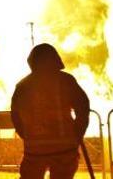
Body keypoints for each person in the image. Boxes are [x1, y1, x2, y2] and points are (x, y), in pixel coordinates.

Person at [11, 43, 90, 179]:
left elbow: (16, 115)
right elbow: (83, 107)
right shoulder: (66, 81)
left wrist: (27, 136)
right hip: (64, 150)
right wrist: (77, 133)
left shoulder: (24, 85)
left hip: (35, 151)